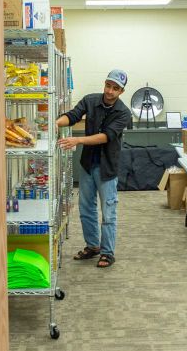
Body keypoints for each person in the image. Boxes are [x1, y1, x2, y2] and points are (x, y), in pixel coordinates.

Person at [56, 69, 132, 268]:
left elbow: (106, 136)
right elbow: (72, 116)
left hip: (106, 168)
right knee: (86, 208)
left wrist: (78, 139)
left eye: (115, 88)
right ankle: (93, 246)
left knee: (108, 212)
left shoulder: (123, 113)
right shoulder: (90, 100)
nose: (110, 91)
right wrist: (55, 123)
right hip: (88, 165)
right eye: (108, 85)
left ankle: (107, 252)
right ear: (104, 84)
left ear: (121, 91)